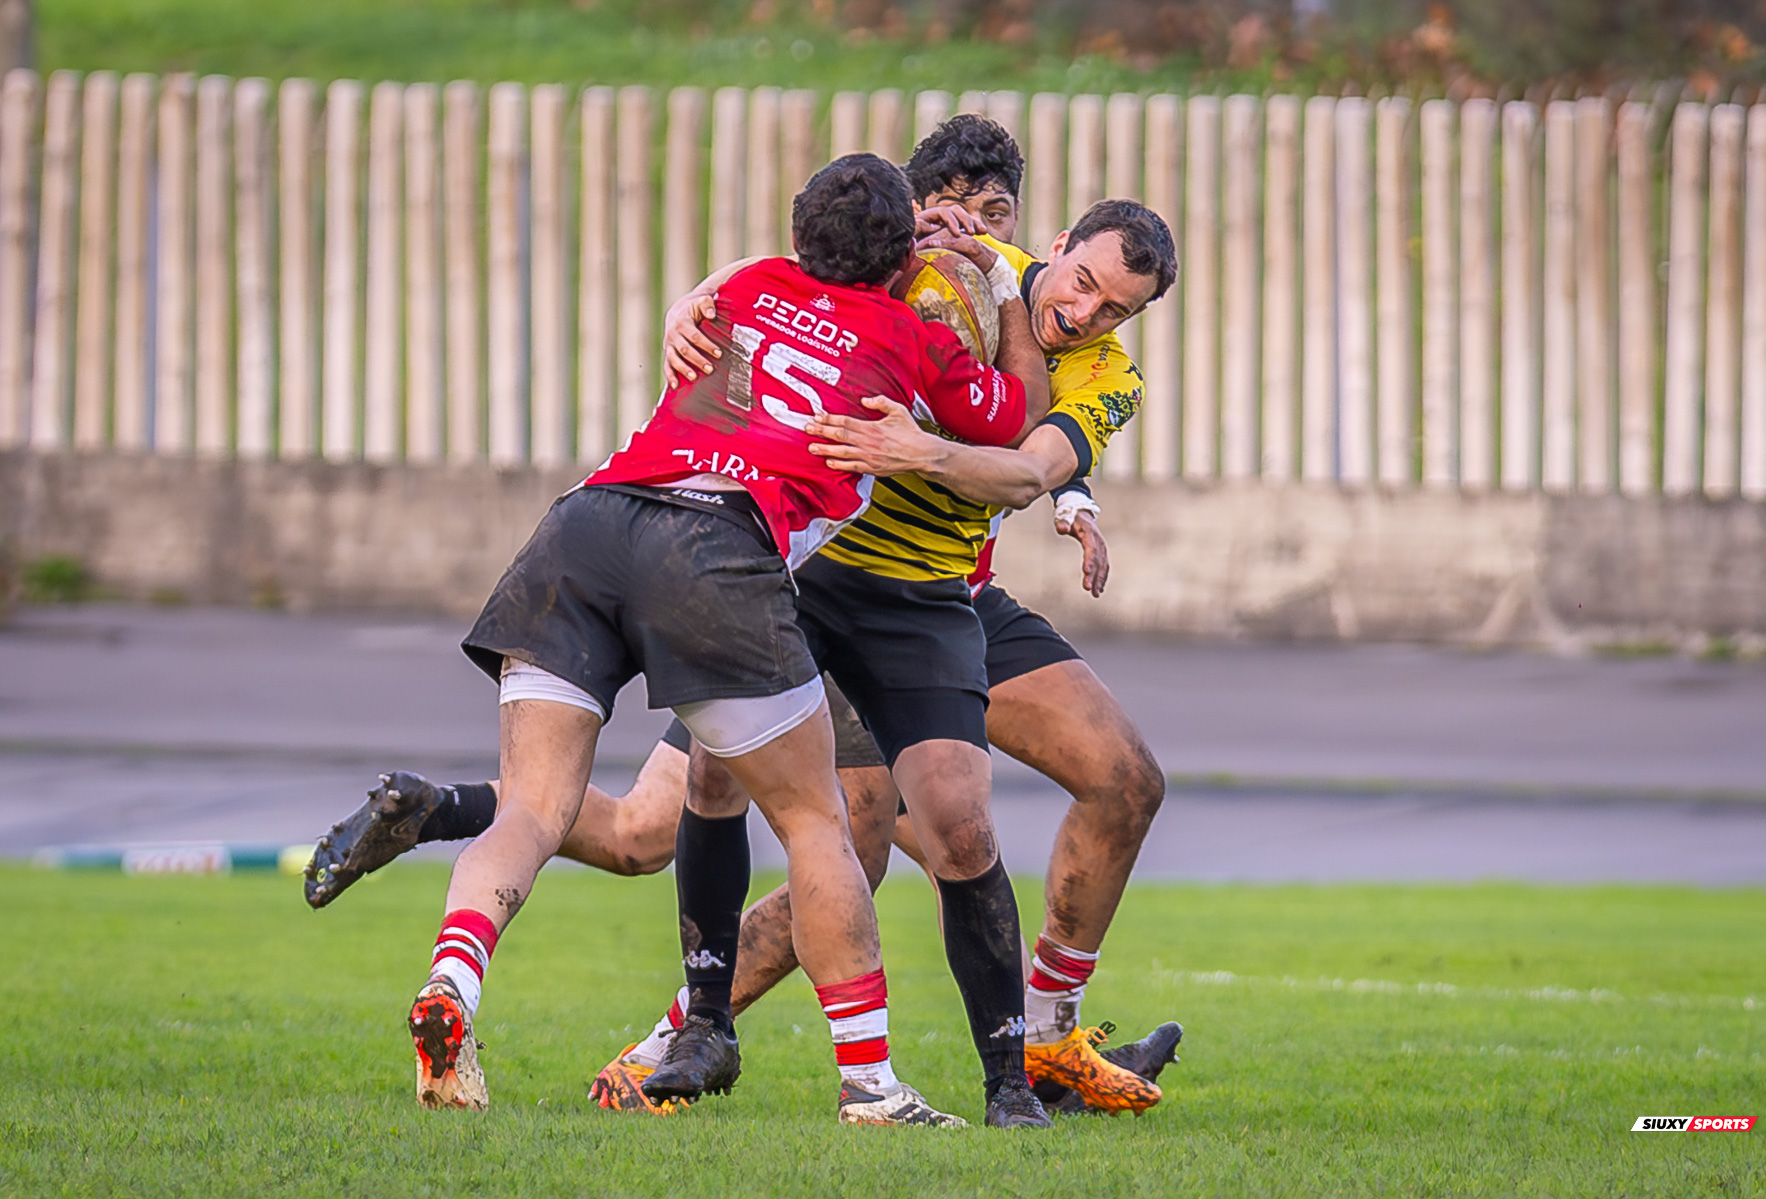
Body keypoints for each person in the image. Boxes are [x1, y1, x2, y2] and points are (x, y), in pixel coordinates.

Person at [310, 120, 1180, 1120]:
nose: (1085, 311)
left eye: (1117, 309)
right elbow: (815, 267)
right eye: (1080, 283)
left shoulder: (1078, 348)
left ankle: (1048, 1032)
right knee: (715, 831)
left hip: (926, 588)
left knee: (1116, 779)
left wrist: (1027, 484)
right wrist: (697, 297)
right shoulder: (936, 272)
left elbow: (1028, 464)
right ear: (1055, 244)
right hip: (786, 577)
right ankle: (713, 1040)